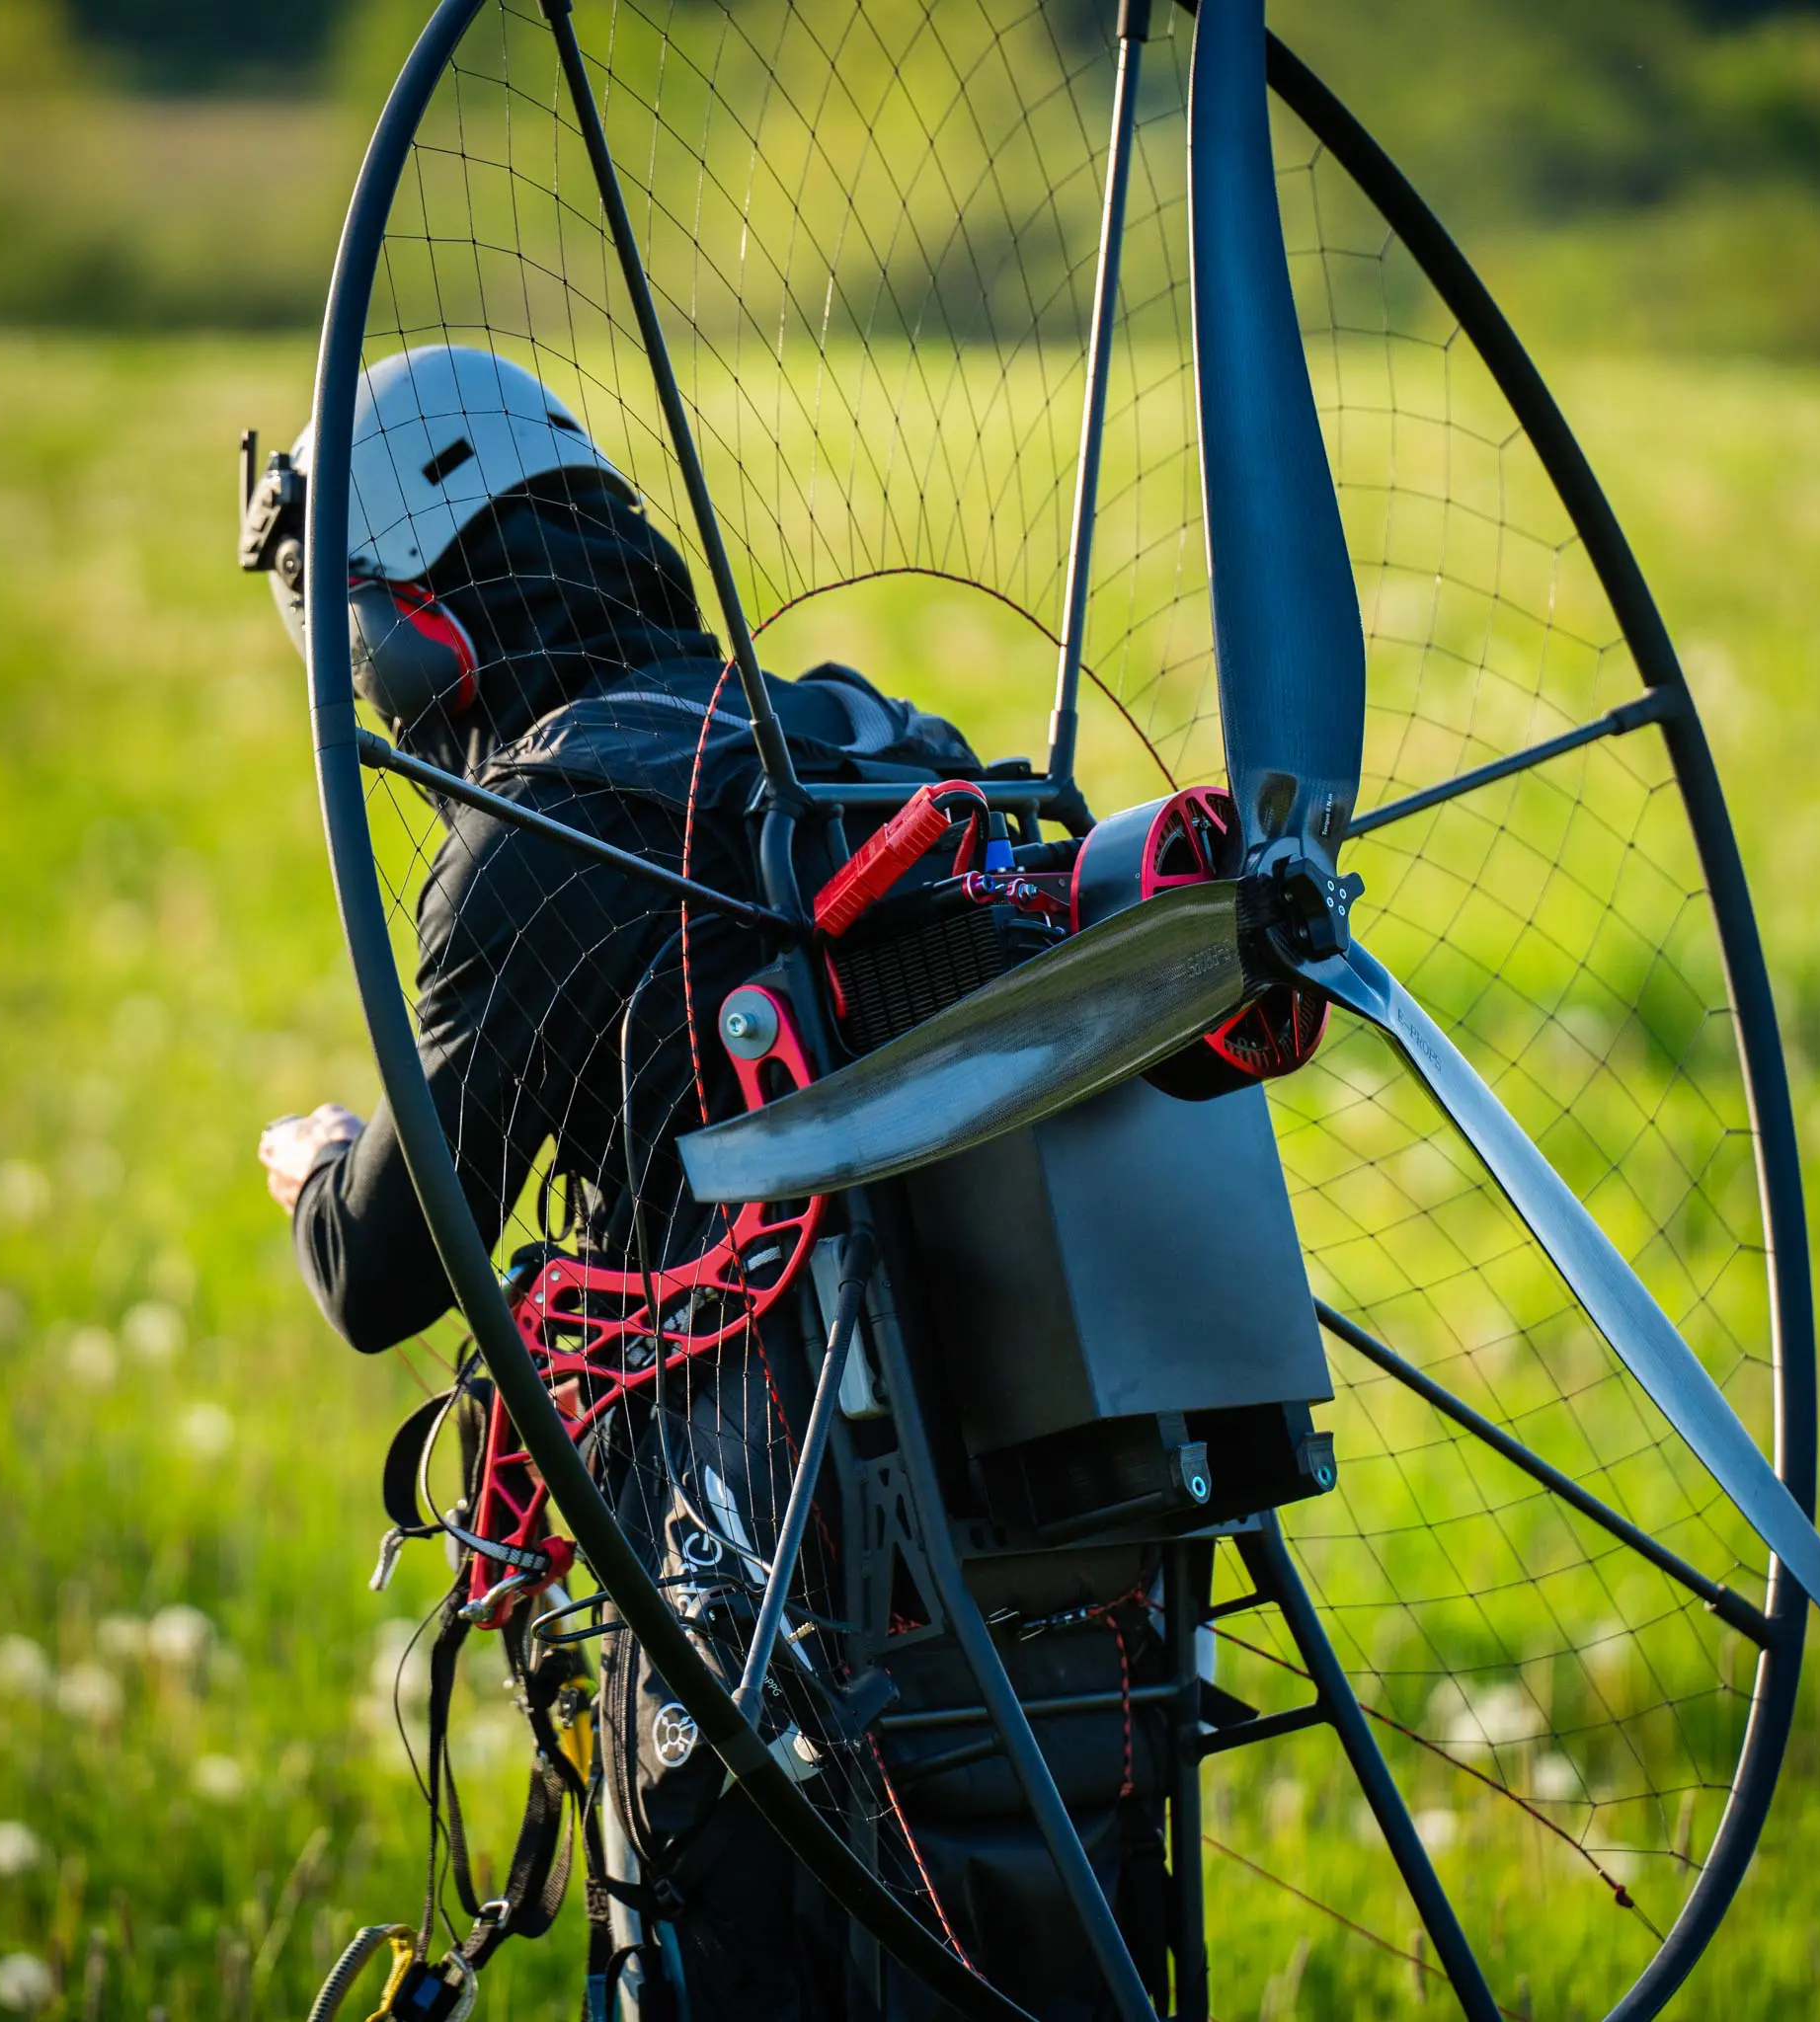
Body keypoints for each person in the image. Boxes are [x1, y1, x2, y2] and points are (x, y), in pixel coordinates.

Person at [251, 345, 1165, 2021]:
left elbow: (383, 1270)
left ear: (410, 629)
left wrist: (315, 1167)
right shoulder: (869, 742)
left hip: (761, 1619)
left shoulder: (547, 831)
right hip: (1080, 1581)